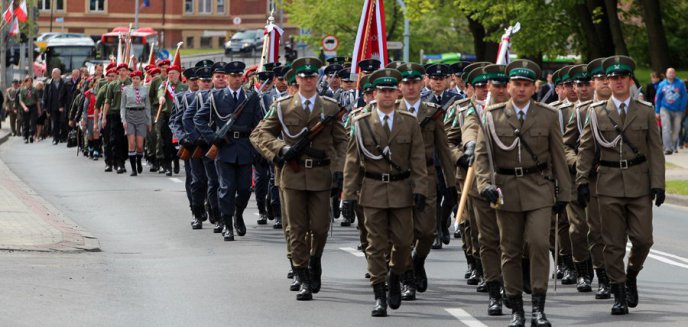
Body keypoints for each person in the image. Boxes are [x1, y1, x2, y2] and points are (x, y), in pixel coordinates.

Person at [474, 59, 570, 327]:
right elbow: (483, 158)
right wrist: (485, 185)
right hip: (506, 190)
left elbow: (558, 158)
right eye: (516, 84)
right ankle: (517, 308)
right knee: (511, 250)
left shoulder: (548, 115)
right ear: (509, 86)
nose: (521, 89)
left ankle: (538, 307)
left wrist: (564, 194)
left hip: (538, 187)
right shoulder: (492, 116)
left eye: (526, 84)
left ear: (534, 87)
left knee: (539, 243)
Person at [252, 57, 348, 301]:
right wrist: (281, 149)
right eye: (303, 77)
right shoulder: (282, 106)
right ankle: (302, 274)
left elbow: (342, 141)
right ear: (296, 80)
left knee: (320, 227)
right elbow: (261, 133)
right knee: (296, 228)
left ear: (318, 79)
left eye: (312, 76)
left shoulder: (330, 107)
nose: (308, 80)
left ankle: (315, 259)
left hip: (321, 175)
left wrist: (339, 170)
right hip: (292, 175)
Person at [576, 55, 665, 316]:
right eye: (612, 78)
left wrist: (658, 184)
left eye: (621, 78)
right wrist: (581, 180)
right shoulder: (596, 112)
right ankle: (618, 293)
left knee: (643, 239)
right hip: (608, 184)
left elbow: (655, 150)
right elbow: (585, 150)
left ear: (629, 80)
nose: (616, 82)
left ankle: (632, 274)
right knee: (612, 243)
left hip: (639, 183)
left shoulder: (645, 111)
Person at [342, 68, 427, 316]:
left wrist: (421, 188)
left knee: (402, 243)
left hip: (401, 190)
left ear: (397, 92)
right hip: (372, 191)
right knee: (375, 245)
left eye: (391, 90)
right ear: (375, 94)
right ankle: (379, 293)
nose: (387, 95)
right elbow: (351, 162)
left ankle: (395, 274)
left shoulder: (409, 122)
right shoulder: (361, 123)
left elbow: (418, 159)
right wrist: (347, 196)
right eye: (382, 91)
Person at [395, 63, 455, 302]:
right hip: (399, 178)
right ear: (400, 86)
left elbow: (444, 148)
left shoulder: (433, 112)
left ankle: (418, 260)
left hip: (427, 177)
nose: (411, 87)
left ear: (422, 83)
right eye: (406, 83)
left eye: (414, 82)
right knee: (402, 234)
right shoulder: (391, 110)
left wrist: (451, 185)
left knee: (428, 231)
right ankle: (407, 275)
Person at [195, 61, 262, 241]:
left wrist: (258, 147)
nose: (237, 79)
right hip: (224, 147)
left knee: (245, 189)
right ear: (227, 77)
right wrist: (212, 137)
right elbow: (198, 118)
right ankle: (227, 224)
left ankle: (238, 214)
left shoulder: (251, 97)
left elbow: (259, 123)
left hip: (245, 147)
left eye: (240, 75)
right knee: (226, 188)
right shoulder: (216, 96)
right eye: (233, 76)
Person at [157, 64, 188, 176]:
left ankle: (176, 160)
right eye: (169, 73)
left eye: (173, 73)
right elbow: (159, 92)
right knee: (166, 143)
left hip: (179, 118)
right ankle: (168, 166)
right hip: (167, 117)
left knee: (177, 142)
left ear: (178, 74)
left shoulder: (184, 87)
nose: (170, 75)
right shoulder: (164, 86)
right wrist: (161, 97)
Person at [120, 70, 152, 176]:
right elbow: (122, 106)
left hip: (141, 115)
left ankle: (138, 160)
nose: (135, 80)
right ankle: (133, 169)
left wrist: (149, 121)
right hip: (130, 115)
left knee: (139, 145)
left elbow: (147, 106)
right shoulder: (125, 90)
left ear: (140, 79)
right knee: (132, 143)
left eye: (137, 78)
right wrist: (123, 120)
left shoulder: (145, 90)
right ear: (131, 79)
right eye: (133, 78)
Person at [654, 67, 687, 154]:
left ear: (675, 74)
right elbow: (658, 98)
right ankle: (667, 148)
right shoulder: (662, 84)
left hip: (678, 110)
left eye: (673, 72)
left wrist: (682, 108)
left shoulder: (680, 83)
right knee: (666, 128)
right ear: (666, 74)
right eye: (669, 72)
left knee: (676, 129)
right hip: (665, 109)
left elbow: (684, 96)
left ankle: (672, 145)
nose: (671, 74)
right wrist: (657, 111)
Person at [43, 68, 67, 145]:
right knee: (55, 123)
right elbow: (45, 96)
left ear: (58, 74)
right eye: (52, 73)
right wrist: (46, 108)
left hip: (62, 106)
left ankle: (63, 137)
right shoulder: (48, 83)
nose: (52, 74)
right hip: (53, 106)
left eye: (54, 73)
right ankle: (55, 138)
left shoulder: (64, 83)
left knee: (63, 122)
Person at [81, 78, 102, 160]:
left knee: (96, 133)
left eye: (98, 84)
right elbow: (85, 108)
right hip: (90, 116)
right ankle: (91, 149)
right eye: (95, 83)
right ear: (92, 84)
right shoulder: (89, 94)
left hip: (99, 116)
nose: (97, 85)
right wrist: (84, 119)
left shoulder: (102, 92)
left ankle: (96, 151)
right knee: (90, 135)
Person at [18, 76, 40, 144]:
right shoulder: (22, 90)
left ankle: (31, 135)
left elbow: (37, 101)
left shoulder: (35, 90)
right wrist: (24, 107)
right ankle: (25, 137)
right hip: (26, 107)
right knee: (26, 123)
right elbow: (21, 101)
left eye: (31, 81)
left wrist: (39, 110)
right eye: (28, 81)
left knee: (33, 123)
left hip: (33, 107)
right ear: (26, 82)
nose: (30, 83)